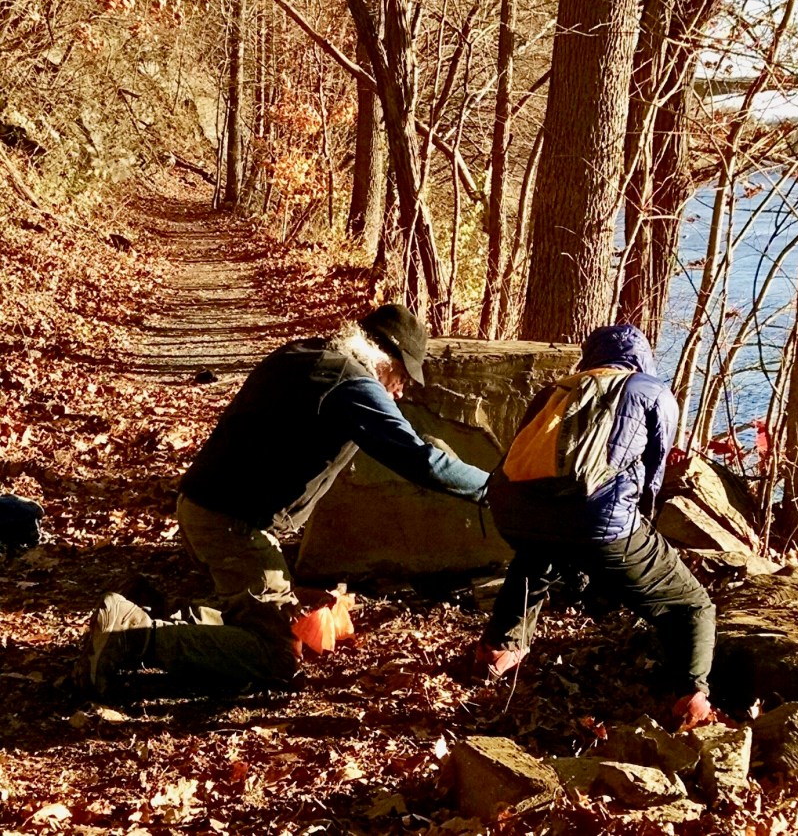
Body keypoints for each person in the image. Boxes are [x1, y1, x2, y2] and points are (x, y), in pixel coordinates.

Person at [75, 304, 490, 697]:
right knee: (274, 657)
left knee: (263, 608)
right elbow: (420, 461)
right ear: (385, 359)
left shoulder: (307, 353)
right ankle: (134, 635)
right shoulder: (354, 385)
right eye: (401, 378)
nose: (398, 393)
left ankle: (149, 604)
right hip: (232, 524)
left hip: (205, 506)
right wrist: (496, 489)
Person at [475, 323, 717, 728]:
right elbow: (652, 478)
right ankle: (692, 699)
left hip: (516, 514)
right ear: (641, 358)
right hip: (598, 522)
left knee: (536, 558)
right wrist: (641, 531)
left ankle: (497, 651)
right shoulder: (652, 390)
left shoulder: (556, 389)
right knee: (691, 604)